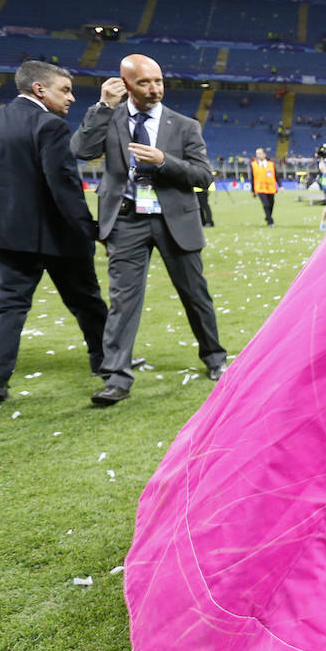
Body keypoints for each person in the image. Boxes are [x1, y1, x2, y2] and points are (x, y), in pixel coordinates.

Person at [71, 54, 226, 406]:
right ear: (125, 85)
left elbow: (203, 176)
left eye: (158, 80)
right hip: (126, 220)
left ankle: (215, 358)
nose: (155, 88)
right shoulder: (109, 118)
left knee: (195, 295)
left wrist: (164, 162)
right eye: (144, 82)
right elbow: (81, 150)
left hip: (174, 219)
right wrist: (102, 107)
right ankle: (117, 378)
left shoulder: (185, 125)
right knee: (123, 301)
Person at [0, 61, 107, 405]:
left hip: (7, 229)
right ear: (39, 89)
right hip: (57, 233)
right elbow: (63, 184)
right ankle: (105, 362)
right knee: (86, 301)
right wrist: (89, 228)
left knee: (9, 305)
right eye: (65, 90)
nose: (71, 98)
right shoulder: (50, 124)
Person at [250, 147, 278, 226]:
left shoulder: (271, 164)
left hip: (271, 188)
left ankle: (268, 216)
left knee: (271, 204)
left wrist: (280, 185)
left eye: (260, 153)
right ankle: (270, 221)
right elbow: (252, 178)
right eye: (257, 154)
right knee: (266, 204)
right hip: (260, 188)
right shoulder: (253, 165)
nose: (258, 155)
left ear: (264, 154)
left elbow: (276, 175)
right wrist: (252, 191)